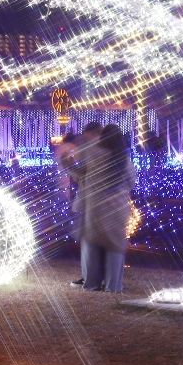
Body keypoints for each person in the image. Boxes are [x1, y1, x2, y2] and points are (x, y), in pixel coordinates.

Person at [58, 123, 136, 293]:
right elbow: (131, 182)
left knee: (91, 246)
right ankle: (112, 285)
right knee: (115, 248)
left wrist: (66, 162)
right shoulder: (125, 160)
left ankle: (91, 283)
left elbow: (79, 173)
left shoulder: (93, 153)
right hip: (118, 210)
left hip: (95, 208)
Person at [55, 122, 101, 287]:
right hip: (92, 200)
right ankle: (92, 276)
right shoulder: (92, 150)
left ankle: (93, 277)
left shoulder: (94, 151)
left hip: (94, 200)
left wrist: (69, 166)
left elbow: (81, 174)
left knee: (92, 240)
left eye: (86, 135)